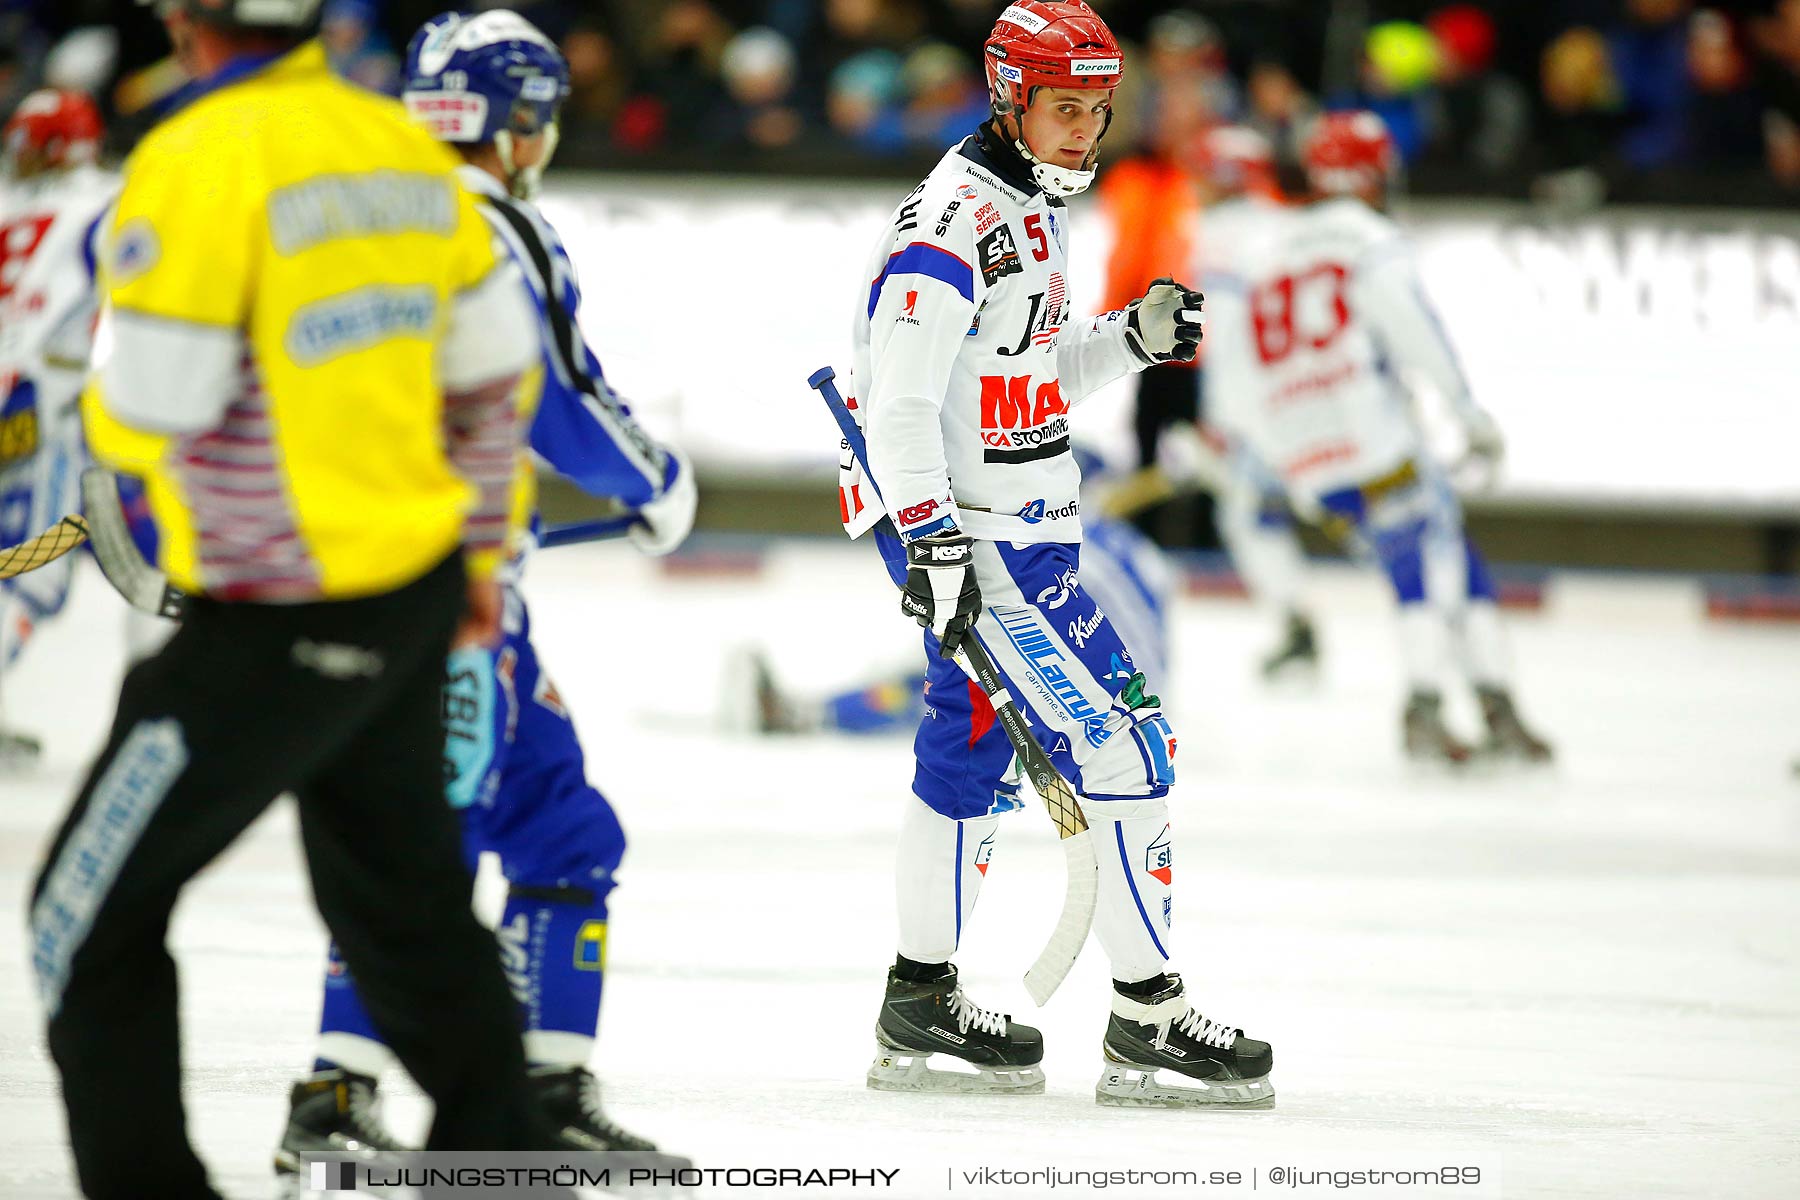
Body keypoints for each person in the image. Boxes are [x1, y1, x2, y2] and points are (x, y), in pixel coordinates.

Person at [27, 1, 564, 1194]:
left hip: (275, 616)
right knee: (408, 919)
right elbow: (492, 373)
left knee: (83, 917)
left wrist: (95, 420)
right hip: (411, 593)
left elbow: (156, 398)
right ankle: (509, 1164)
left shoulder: (194, 156)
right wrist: (477, 561)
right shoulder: (394, 148)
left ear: (184, 20)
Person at [270, 10, 696, 1181]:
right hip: (447, 597)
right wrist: (657, 484)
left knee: (557, 824)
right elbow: (559, 395)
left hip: (360, 575)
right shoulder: (497, 227)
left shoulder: (355, 215)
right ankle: (338, 1091)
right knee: (433, 835)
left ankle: (535, 1089)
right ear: (513, 123)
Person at [846, 0, 1273, 1108]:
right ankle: (1149, 1016)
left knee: (965, 758)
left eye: (1096, 109)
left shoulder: (1034, 204)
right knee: (1129, 745)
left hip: (1019, 538)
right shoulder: (956, 220)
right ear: (1007, 97)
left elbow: (1022, 378)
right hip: (992, 552)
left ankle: (920, 997)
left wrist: (1127, 339)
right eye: (1062, 107)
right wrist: (934, 538)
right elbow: (897, 405)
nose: (1083, 130)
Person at [1200, 110, 1553, 764]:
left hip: (1302, 456)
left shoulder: (1262, 251)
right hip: (1373, 435)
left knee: (1422, 558)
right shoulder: (1368, 237)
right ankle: (1444, 705)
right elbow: (1412, 329)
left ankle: (1488, 701)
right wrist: (1466, 412)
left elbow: (1233, 379)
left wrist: (1279, 461)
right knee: (1434, 556)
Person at [735, 450, 1174, 735]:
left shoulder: (1054, 534)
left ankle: (814, 716)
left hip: (1102, 700)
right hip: (1140, 693)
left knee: (941, 686)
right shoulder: (1128, 545)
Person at [0, 88, 113, 766]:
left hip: (18, 390)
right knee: (30, 571)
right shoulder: (107, 200)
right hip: (35, 401)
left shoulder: (12, 207)